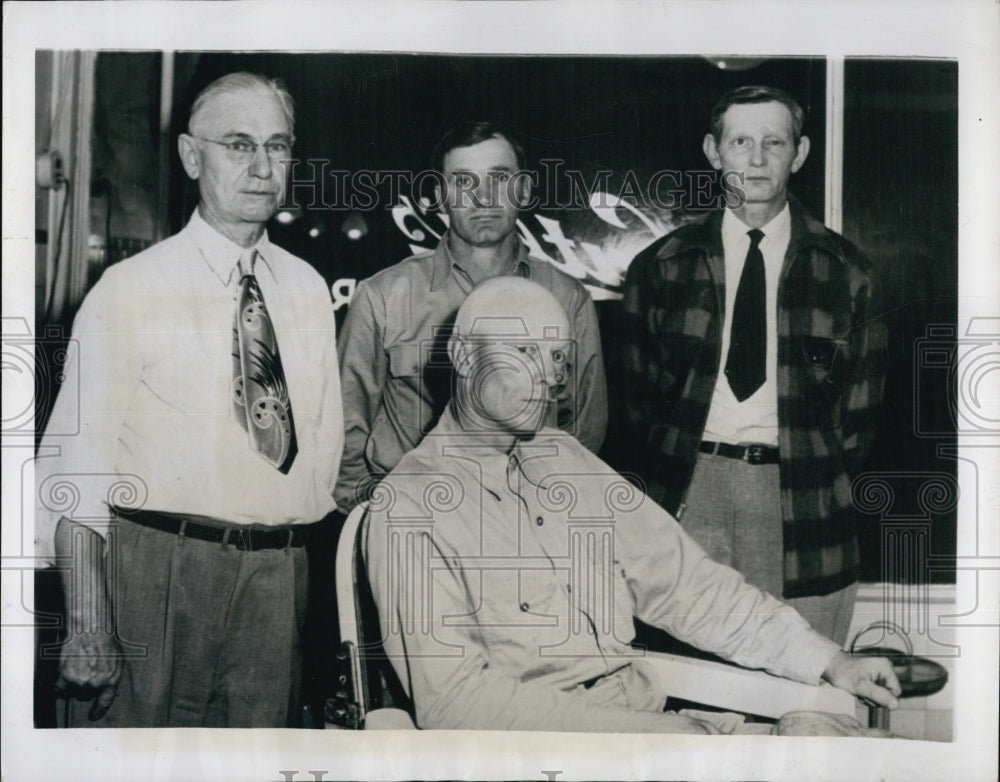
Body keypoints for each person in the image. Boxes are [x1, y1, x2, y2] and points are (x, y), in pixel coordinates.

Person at [362, 277, 899, 733]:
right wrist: (659, 735)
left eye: (556, 357)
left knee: (830, 737)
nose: (548, 377)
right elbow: (456, 705)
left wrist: (828, 660)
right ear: (461, 355)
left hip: (649, 719)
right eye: (523, 352)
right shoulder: (408, 507)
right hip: (547, 753)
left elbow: (690, 587)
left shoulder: (566, 459)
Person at [34, 72, 344, 727]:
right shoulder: (130, 289)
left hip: (278, 578)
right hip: (159, 573)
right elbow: (74, 472)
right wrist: (89, 622)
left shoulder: (309, 289)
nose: (263, 167)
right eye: (238, 144)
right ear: (190, 156)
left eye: (279, 145)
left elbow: (318, 459)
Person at [615, 85, 887, 644]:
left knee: (802, 693)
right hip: (690, 497)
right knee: (692, 687)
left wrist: (805, 473)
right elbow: (638, 408)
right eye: (741, 141)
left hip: (802, 506)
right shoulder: (661, 268)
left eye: (774, 142)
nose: (757, 158)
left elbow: (858, 425)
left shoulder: (848, 274)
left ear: (801, 152)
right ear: (715, 153)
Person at [335, 121, 607, 514]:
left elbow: (582, 431)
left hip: (523, 525)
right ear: (438, 195)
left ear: (526, 189)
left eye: (500, 178)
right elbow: (345, 427)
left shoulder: (567, 299)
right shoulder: (383, 297)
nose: (482, 197)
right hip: (410, 522)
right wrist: (368, 523)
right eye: (463, 182)